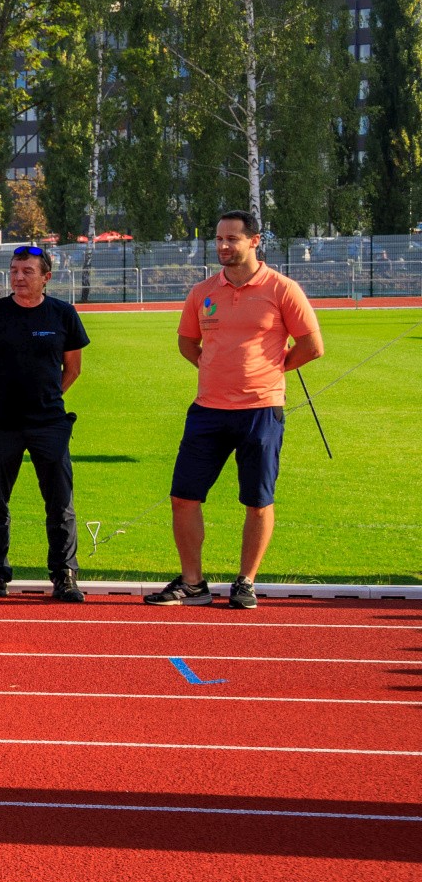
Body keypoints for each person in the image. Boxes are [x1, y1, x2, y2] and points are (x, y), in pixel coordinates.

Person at [147, 211, 324, 610]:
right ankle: (193, 584)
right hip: (207, 411)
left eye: (232, 239)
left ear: (254, 241)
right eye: (219, 239)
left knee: (257, 501)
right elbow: (187, 343)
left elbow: (312, 346)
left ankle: (246, 581)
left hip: (261, 410)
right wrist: (213, 368)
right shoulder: (202, 292)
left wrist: (272, 370)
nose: (224, 246)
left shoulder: (282, 289)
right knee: (183, 498)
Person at [0, 245, 90, 602]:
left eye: (27, 272)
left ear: (46, 277)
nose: (19, 278)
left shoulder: (63, 314)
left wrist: (45, 397)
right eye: (14, 271)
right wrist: (8, 396)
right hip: (0, 423)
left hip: (49, 423)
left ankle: (64, 574)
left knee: (60, 502)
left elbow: (73, 368)